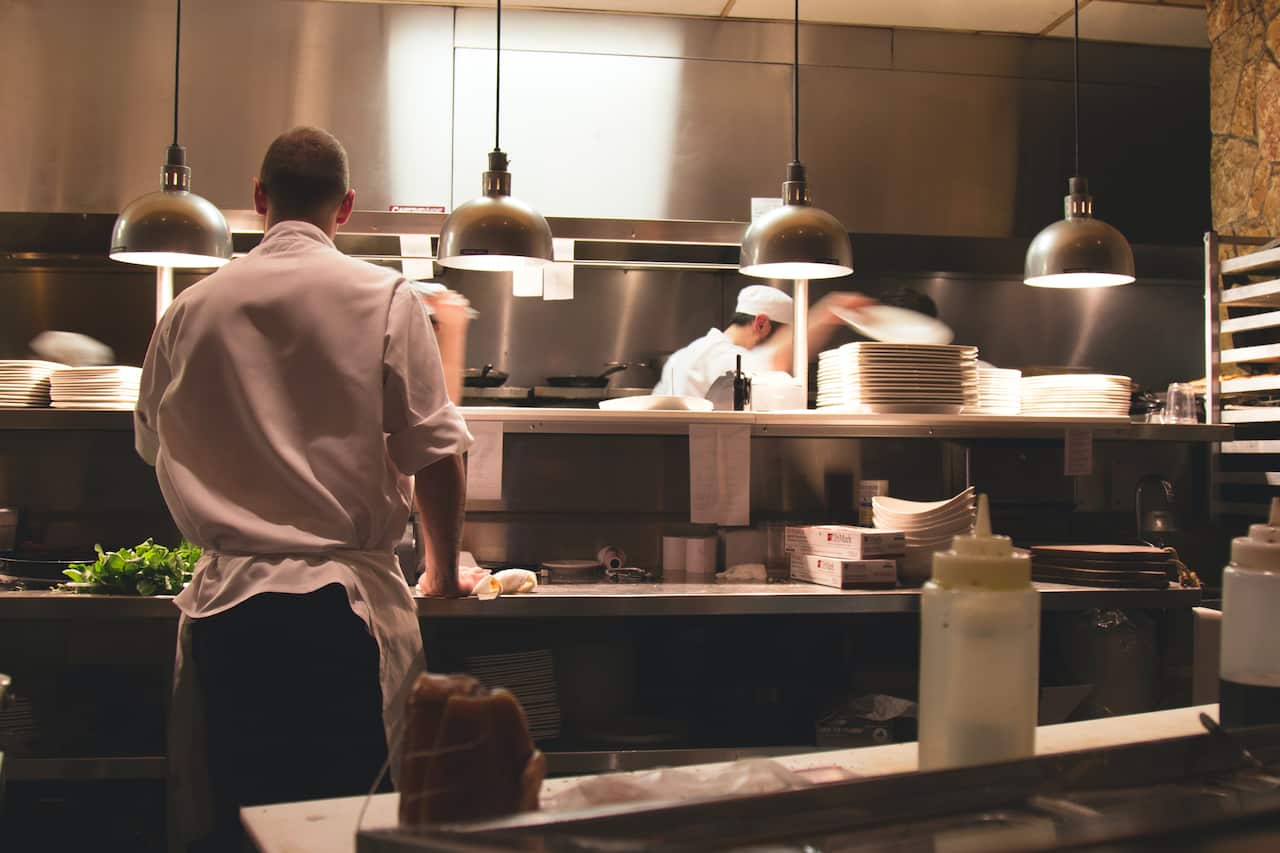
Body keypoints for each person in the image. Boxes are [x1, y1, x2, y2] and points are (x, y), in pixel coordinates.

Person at [134, 126, 473, 850]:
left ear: (258, 200)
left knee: (244, 825)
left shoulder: (190, 309)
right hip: (339, 620)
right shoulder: (385, 296)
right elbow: (437, 452)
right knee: (348, 830)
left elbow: (152, 445)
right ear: (345, 206)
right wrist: (441, 571)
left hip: (229, 617)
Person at [653, 284, 874, 399]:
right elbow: (774, 360)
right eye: (786, 337)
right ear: (761, 324)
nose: (790, 346)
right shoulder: (718, 356)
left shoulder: (684, 355)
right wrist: (830, 310)